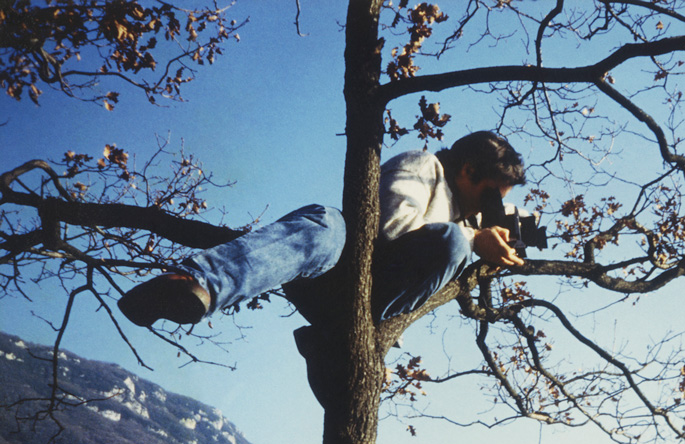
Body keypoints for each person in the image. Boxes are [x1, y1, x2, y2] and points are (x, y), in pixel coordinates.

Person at [117, 131, 527, 328]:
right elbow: (390, 226)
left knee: (455, 239)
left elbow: (499, 224)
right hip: (340, 271)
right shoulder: (426, 167)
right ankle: (193, 285)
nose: (487, 206)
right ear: (468, 169)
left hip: (371, 306)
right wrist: (475, 239)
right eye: (489, 194)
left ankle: (334, 344)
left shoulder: (468, 220)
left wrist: (499, 231)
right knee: (328, 222)